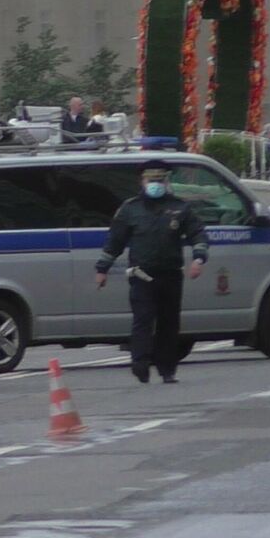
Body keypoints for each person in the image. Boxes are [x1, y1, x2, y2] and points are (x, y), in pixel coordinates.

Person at [94, 160, 207, 383]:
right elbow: (115, 242)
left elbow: (198, 234)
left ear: (166, 181)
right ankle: (140, 364)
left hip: (171, 275)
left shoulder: (180, 208)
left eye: (159, 180)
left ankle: (167, 369)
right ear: (142, 181)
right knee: (143, 320)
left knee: (169, 323)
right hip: (142, 276)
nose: (155, 184)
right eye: (151, 180)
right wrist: (102, 270)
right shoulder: (130, 209)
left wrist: (199, 259)